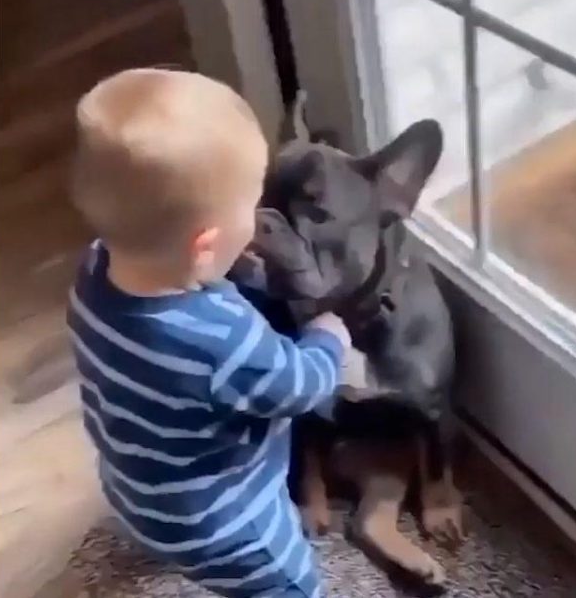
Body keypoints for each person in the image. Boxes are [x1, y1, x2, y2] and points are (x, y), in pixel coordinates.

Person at [65, 68, 359, 597]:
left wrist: (227, 269)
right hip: (227, 524)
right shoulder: (223, 341)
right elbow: (298, 385)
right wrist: (327, 339)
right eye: (251, 208)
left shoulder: (94, 269)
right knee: (293, 583)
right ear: (204, 246)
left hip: (133, 487)